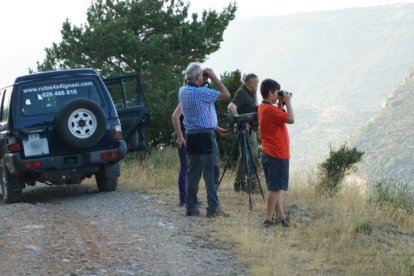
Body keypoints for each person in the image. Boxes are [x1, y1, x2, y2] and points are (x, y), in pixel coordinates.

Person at [174, 62, 230, 217]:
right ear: (198, 77)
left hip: (191, 135)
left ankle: (190, 207)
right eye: (202, 75)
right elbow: (226, 94)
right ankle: (213, 208)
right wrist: (213, 77)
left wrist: (215, 126)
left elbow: (201, 112)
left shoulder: (183, 91)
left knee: (193, 173)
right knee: (211, 172)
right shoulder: (202, 93)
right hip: (205, 136)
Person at [258, 79, 295, 227]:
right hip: (277, 154)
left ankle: (281, 217)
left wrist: (280, 103)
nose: (277, 96)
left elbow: (278, 116)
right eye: (276, 93)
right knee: (274, 189)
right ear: (270, 93)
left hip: (268, 152)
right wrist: (288, 101)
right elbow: (291, 119)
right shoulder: (270, 110)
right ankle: (268, 219)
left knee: (277, 187)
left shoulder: (262, 108)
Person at [227, 73, 260, 192]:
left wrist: (255, 94)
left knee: (248, 155)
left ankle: (243, 182)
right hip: (245, 129)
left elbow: (256, 108)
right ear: (251, 83)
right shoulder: (241, 93)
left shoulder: (249, 93)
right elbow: (231, 107)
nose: (257, 85)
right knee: (250, 156)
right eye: (256, 83)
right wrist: (240, 121)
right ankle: (247, 183)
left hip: (251, 129)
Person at [171, 105, 187, 207]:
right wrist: (180, 136)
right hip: (185, 134)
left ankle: (187, 197)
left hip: (187, 134)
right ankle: (184, 198)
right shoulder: (185, 99)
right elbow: (174, 117)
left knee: (188, 168)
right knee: (185, 167)